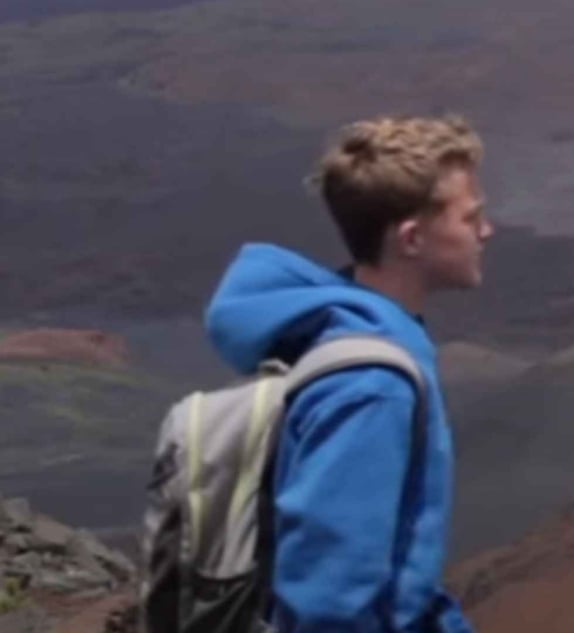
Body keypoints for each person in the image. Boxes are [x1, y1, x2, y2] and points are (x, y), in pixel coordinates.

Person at [204, 114, 493, 633]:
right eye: (471, 218)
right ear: (412, 239)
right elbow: (329, 597)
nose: (485, 231)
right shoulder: (372, 387)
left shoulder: (344, 337)